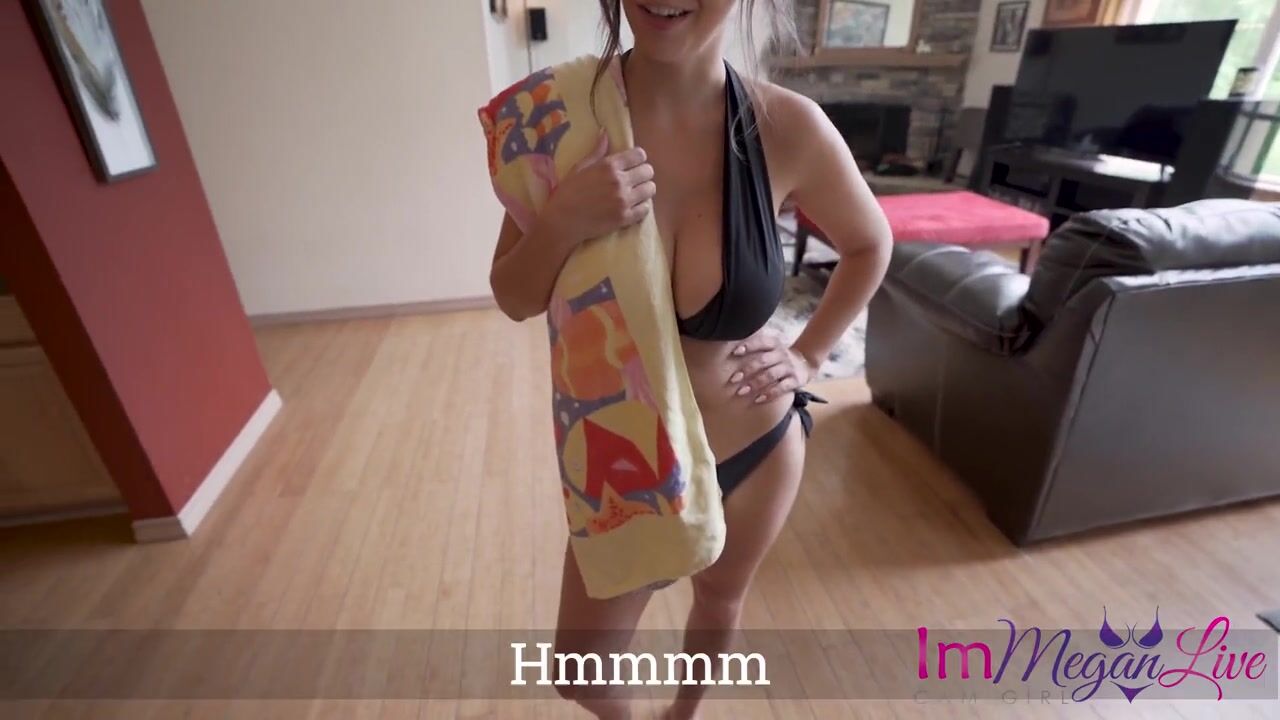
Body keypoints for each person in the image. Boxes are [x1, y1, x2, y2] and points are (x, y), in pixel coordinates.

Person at [489, 2, 892, 717]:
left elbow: (870, 243)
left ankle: (683, 713)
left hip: (756, 446)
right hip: (627, 465)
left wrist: (807, 355)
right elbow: (514, 296)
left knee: (719, 602)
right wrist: (564, 221)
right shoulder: (560, 119)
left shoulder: (786, 127)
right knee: (581, 671)